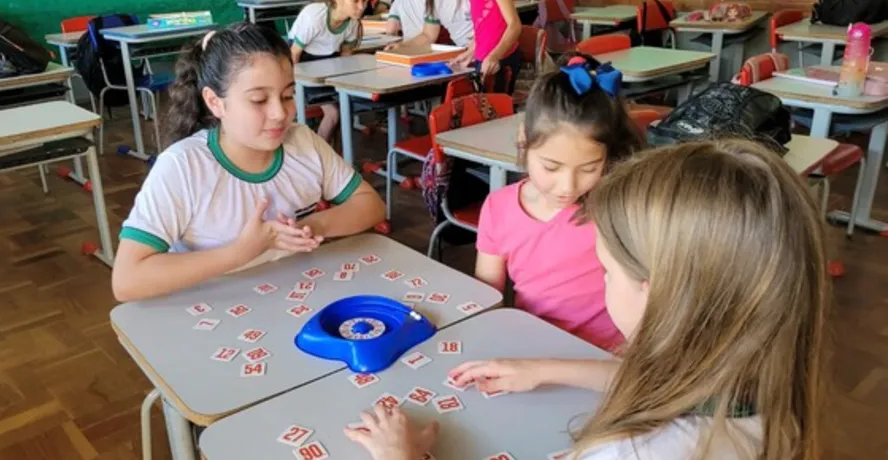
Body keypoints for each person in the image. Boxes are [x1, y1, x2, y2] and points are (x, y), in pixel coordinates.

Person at [345, 139, 829, 460]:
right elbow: (671, 386)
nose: (601, 283)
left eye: (607, 270)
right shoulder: (762, 380)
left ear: (659, 292)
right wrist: (549, 369)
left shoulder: (635, 452)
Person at [112, 23, 385, 301]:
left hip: (290, 294)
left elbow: (371, 205)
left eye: (288, 95)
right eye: (258, 100)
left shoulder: (304, 143)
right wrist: (241, 252)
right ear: (215, 102)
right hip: (212, 305)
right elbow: (127, 280)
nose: (280, 113)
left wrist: (312, 227)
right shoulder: (182, 166)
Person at [476, 58, 644, 352]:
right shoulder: (497, 208)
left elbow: (645, 301)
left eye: (590, 168)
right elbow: (485, 295)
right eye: (552, 167)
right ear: (524, 140)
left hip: (608, 354)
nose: (568, 187)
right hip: (536, 349)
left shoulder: (613, 210)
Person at [288, 0, 368, 142]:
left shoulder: (353, 23)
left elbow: (346, 56)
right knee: (334, 113)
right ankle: (319, 155)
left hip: (329, 68)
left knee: (342, 109)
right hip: (301, 68)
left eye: (364, 0)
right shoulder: (314, 16)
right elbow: (293, 54)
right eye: (355, 0)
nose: (361, 7)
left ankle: (330, 153)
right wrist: (291, 88)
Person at [451, 0, 522, 94]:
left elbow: (514, 25)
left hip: (500, 58)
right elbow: (484, 22)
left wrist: (494, 56)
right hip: (484, 57)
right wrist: (471, 51)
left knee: (496, 113)